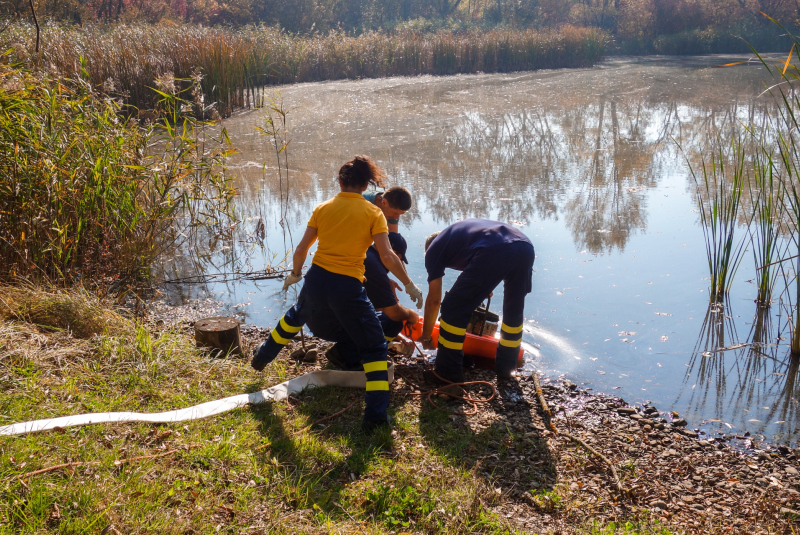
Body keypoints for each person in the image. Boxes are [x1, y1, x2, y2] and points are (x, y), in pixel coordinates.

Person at [251, 156, 424, 433]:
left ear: (341, 182)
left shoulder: (323, 207)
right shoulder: (374, 214)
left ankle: (261, 358)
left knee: (294, 318)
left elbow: (301, 249)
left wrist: (295, 274)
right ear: (366, 184)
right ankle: (376, 417)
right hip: (347, 285)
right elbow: (388, 256)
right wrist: (411, 285)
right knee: (374, 348)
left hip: (317, 278)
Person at [420, 219, 535, 383]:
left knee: (453, 308)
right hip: (524, 246)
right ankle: (506, 369)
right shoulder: (457, 238)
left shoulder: (433, 251)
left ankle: (448, 373)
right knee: (513, 311)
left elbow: (434, 300)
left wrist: (426, 336)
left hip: (497, 249)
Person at [326, 231, 420, 371]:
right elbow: (392, 313)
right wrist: (411, 314)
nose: (397, 265)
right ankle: (344, 354)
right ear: (393, 252)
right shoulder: (374, 267)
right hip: (331, 321)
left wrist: (398, 339)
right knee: (395, 321)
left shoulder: (365, 253)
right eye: (398, 259)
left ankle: (362, 350)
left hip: (325, 313)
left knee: (383, 319)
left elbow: (375, 309)